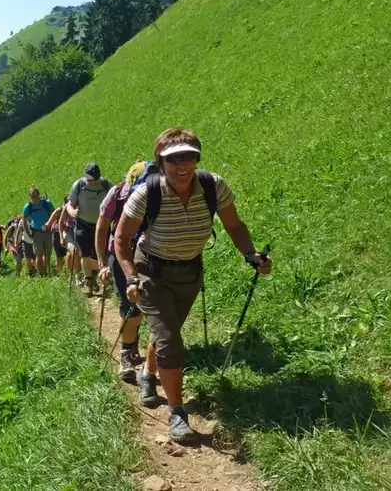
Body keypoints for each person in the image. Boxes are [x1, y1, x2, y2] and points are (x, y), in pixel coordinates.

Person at [114, 128, 272, 443]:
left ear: (197, 157)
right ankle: (177, 413)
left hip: (189, 273)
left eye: (189, 156)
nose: (183, 164)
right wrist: (131, 276)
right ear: (161, 162)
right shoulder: (147, 193)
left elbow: (234, 225)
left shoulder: (214, 186)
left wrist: (250, 254)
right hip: (151, 272)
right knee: (170, 339)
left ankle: (148, 372)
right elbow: (121, 239)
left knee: (166, 331)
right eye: (174, 159)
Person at [96, 162, 147, 383]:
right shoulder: (116, 193)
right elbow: (101, 226)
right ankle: (125, 354)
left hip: (146, 255)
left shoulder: (158, 192)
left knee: (144, 305)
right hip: (119, 255)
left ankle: (133, 344)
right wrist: (101, 264)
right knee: (130, 307)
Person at [67, 163, 111, 295]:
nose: (92, 182)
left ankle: (100, 276)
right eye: (89, 180)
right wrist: (72, 212)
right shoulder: (78, 185)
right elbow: (69, 205)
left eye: (94, 179)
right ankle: (89, 280)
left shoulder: (106, 185)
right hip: (83, 224)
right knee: (84, 253)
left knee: (100, 254)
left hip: (102, 226)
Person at [22, 186, 55, 276]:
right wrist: (28, 234)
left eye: (36, 195)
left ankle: (44, 271)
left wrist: (52, 226)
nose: (35, 198)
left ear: (39, 194)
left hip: (48, 232)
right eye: (33, 196)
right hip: (36, 233)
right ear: (30, 196)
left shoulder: (47, 203)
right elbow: (24, 221)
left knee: (47, 254)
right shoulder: (28, 207)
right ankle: (42, 275)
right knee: (39, 255)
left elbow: (54, 214)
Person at [47, 196, 70, 275]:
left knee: (69, 254)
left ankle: (68, 273)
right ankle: (59, 273)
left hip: (69, 234)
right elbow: (50, 220)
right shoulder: (59, 210)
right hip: (57, 234)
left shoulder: (74, 210)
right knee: (59, 258)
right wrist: (46, 225)